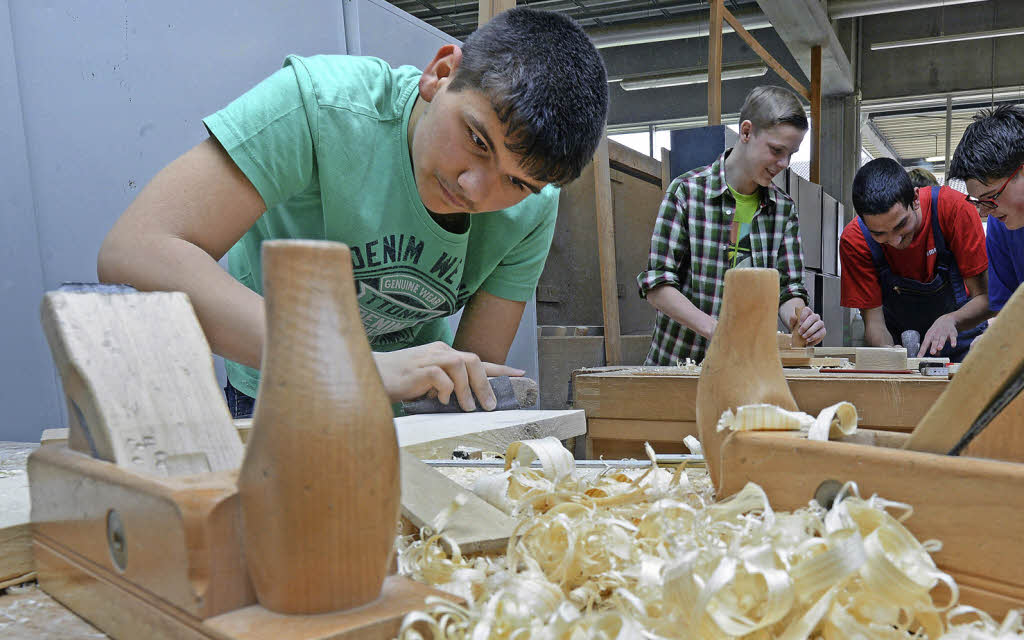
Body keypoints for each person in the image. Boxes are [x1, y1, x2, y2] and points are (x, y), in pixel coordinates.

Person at [97, 8, 608, 416]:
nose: (476, 189)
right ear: (441, 73)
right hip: (278, 391)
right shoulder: (323, 106)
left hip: (403, 406)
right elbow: (137, 250)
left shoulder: (534, 206)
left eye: (516, 181)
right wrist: (357, 367)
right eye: (476, 141)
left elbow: (471, 383)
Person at [637, 86, 825, 366]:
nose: (784, 163)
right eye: (776, 150)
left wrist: (802, 320)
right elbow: (658, 285)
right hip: (678, 366)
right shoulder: (686, 193)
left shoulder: (783, 210)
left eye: (791, 153)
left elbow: (789, 290)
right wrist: (716, 329)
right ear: (746, 132)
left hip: (747, 369)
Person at [839, 158, 990, 361]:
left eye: (901, 225)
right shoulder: (856, 240)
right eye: (880, 234)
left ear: (915, 198)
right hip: (900, 347)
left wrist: (953, 319)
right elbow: (874, 324)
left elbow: (986, 298)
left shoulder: (954, 209)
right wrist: (890, 355)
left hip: (963, 341)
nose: (895, 241)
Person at [948, 104, 1024, 313]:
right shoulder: (1001, 225)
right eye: (978, 201)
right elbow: (1005, 311)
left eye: (991, 197)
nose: (983, 212)